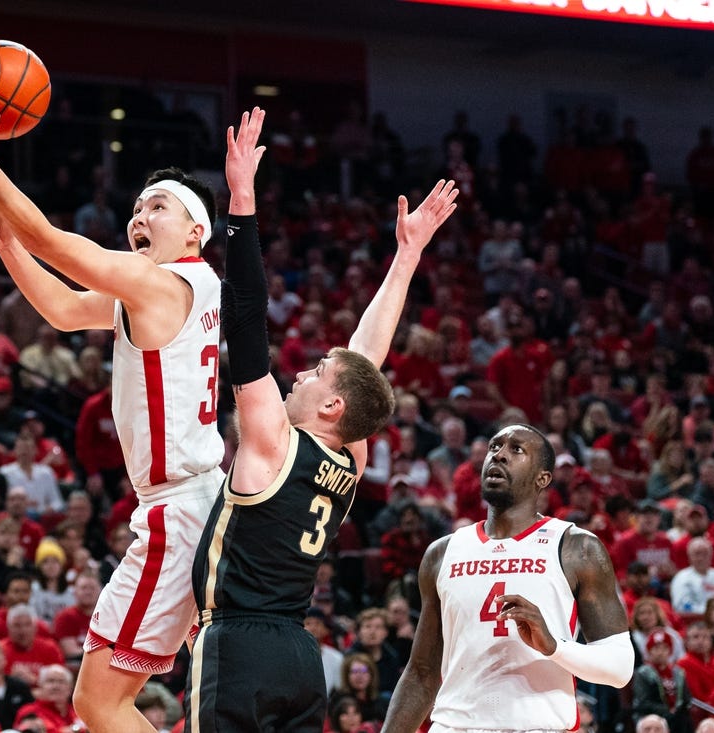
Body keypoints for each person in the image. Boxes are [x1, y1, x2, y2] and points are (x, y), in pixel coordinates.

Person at [0, 80, 229, 733]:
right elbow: (63, 307)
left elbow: (52, 238)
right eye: (136, 206)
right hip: (204, 501)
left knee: (97, 701)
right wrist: (6, 247)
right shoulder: (181, 288)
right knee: (180, 699)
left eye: (157, 205)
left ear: (194, 229)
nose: (139, 215)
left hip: (180, 512)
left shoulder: (161, 281)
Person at [184, 109, 458, 732]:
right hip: (303, 658)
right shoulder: (350, 460)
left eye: (315, 375)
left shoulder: (270, 442)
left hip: (239, 645)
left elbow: (247, 318)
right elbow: (367, 359)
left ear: (332, 407)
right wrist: (407, 253)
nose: (301, 373)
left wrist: (243, 203)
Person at [380, 424, 635, 731]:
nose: (499, 455)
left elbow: (620, 668)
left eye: (516, 449)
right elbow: (421, 671)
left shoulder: (575, 547)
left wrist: (554, 646)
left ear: (543, 478)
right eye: (494, 447)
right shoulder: (442, 552)